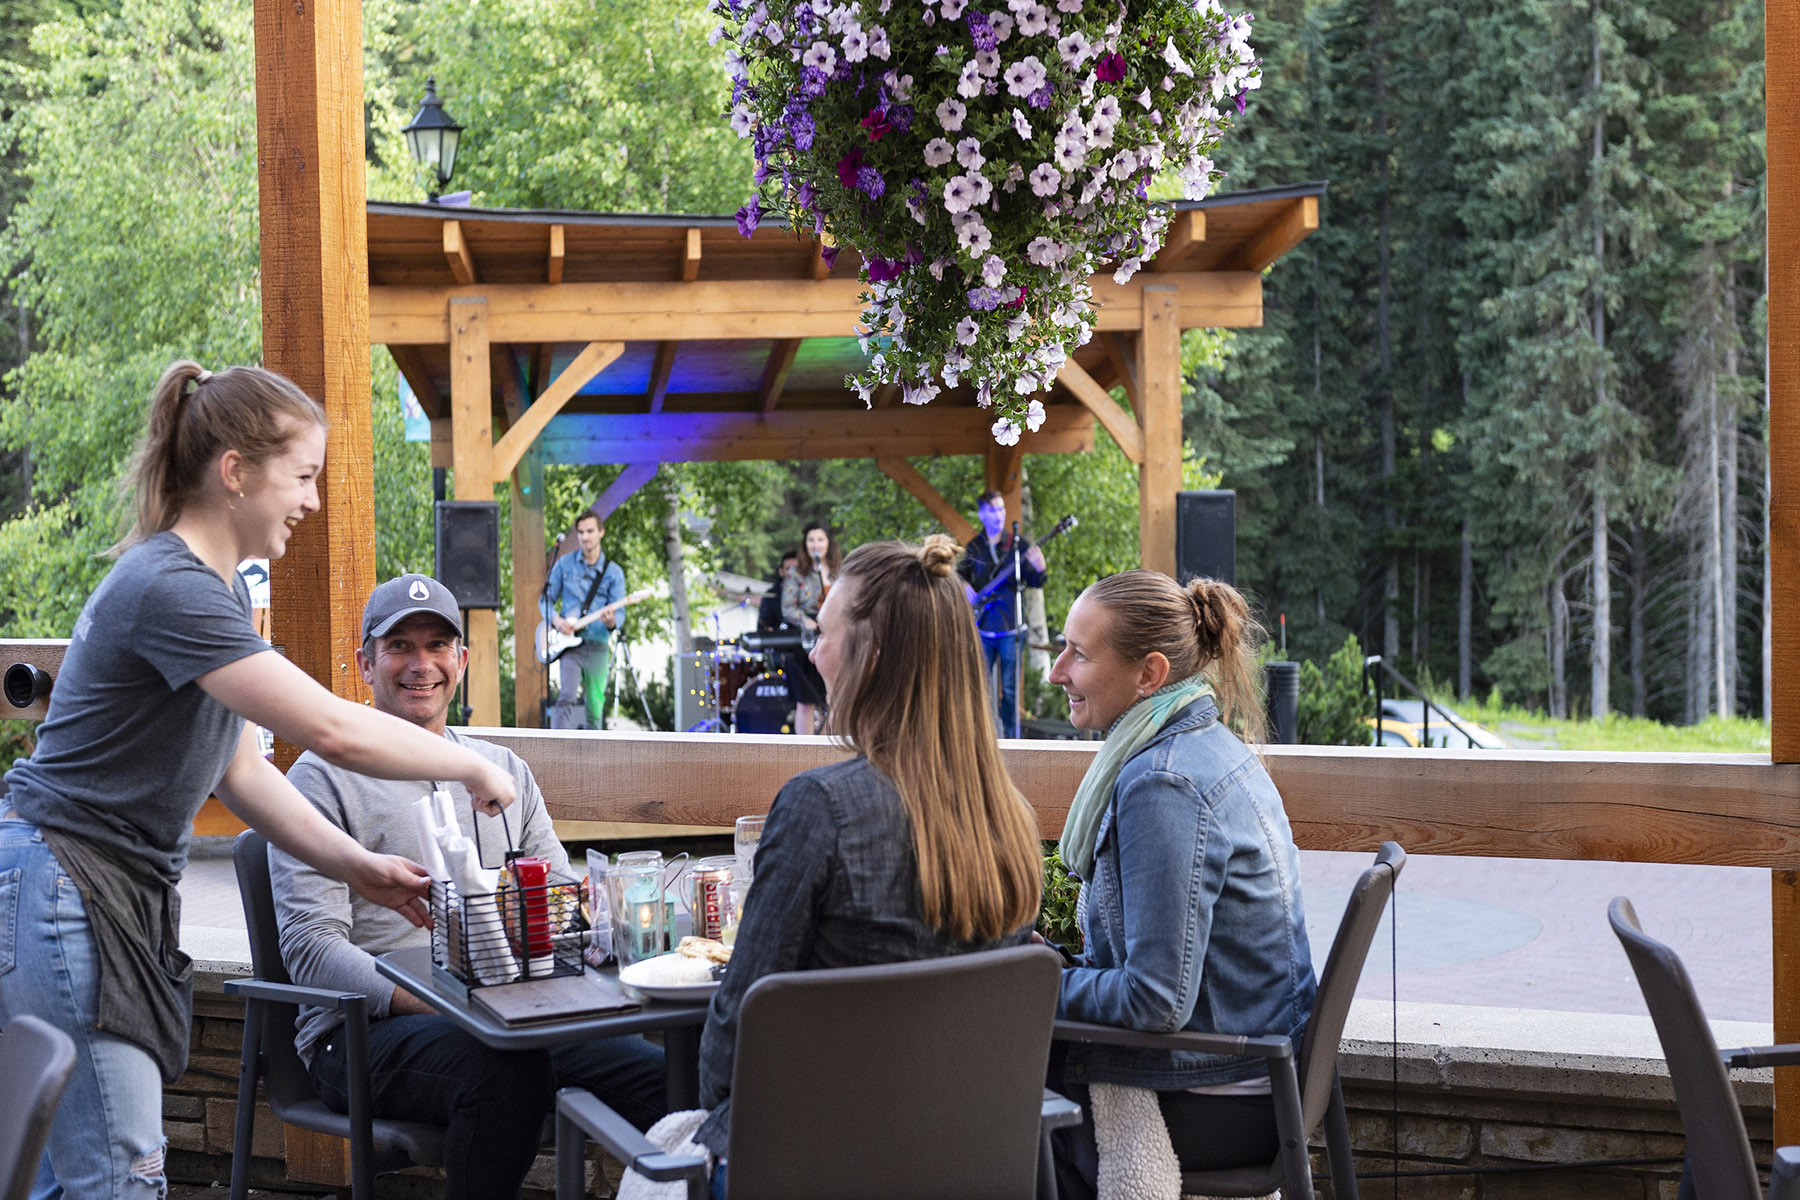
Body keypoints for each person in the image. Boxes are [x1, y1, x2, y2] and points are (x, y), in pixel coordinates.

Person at [0, 361, 518, 1200]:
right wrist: (470, 764)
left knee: (67, 1179)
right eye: (303, 475)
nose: (312, 500)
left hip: (74, 885)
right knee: (115, 1180)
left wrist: (360, 868)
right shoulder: (173, 586)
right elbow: (327, 728)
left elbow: (240, 771)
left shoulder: (212, 594)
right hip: (70, 887)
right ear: (235, 472)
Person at [269, 573, 666, 1200]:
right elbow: (312, 950)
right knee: (505, 1073)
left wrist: (587, 918)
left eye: (438, 645)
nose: (421, 664)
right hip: (359, 1036)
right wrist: (451, 1006)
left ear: (463, 660)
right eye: (399, 645)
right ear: (364, 661)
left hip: (519, 1019)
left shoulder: (503, 771)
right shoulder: (319, 781)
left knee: (677, 1073)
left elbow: (563, 903)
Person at [696, 535, 1044, 1181]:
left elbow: (735, 1038)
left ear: (871, 655)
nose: (812, 651)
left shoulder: (817, 808)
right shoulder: (1013, 820)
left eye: (823, 633)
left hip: (816, 1167)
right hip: (964, 1167)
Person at [1044, 570, 1315, 1200]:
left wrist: (1038, 987)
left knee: (992, 1110)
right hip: (1256, 1074)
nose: (1057, 671)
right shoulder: (1206, 745)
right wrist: (1060, 967)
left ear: (1149, 675)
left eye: (1078, 654)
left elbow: (1156, 1000)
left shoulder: (1164, 784)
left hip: (1221, 1095)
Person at [957, 490, 1047, 738]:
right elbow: (960, 574)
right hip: (983, 626)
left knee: (1009, 690)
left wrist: (1040, 568)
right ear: (982, 514)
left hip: (1011, 626)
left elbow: (1036, 581)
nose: (999, 515)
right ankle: (980, 736)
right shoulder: (975, 546)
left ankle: (1010, 738)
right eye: (993, 510)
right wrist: (965, 587)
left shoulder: (1017, 545)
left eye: (1001, 509)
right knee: (979, 686)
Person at [542, 511, 626, 730]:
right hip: (570, 645)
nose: (585, 537)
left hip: (598, 645)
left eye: (590, 531)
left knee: (595, 706)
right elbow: (545, 600)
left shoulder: (614, 573)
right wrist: (556, 621)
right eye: (580, 532)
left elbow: (620, 616)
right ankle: (556, 749)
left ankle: (594, 757)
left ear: (601, 532)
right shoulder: (564, 564)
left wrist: (611, 622)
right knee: (566, 696)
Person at [779, 522, 840, 735]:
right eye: (811, 540)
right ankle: (804, 750)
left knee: (832, 699)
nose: (816, 544)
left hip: (833, 638)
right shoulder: (796, 573)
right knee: (805, 701)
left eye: (820, 539)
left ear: (828, 543)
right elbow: (787, 607)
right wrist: (805, 620)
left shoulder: (839, 572)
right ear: (805, 544)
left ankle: (828, 749)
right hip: (805, 641)